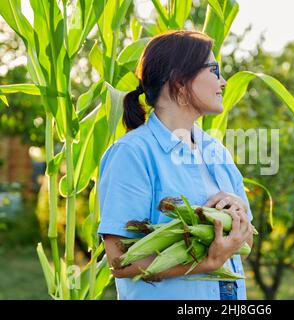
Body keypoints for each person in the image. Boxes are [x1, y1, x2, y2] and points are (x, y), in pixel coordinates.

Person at [97, 30, 254, 300]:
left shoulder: (217, 151)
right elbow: (119, 261)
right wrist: (207, 263)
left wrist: (239, 215)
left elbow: (245, 244)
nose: (224, 81)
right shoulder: (131, 154)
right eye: (214, 70)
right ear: (180, 81)